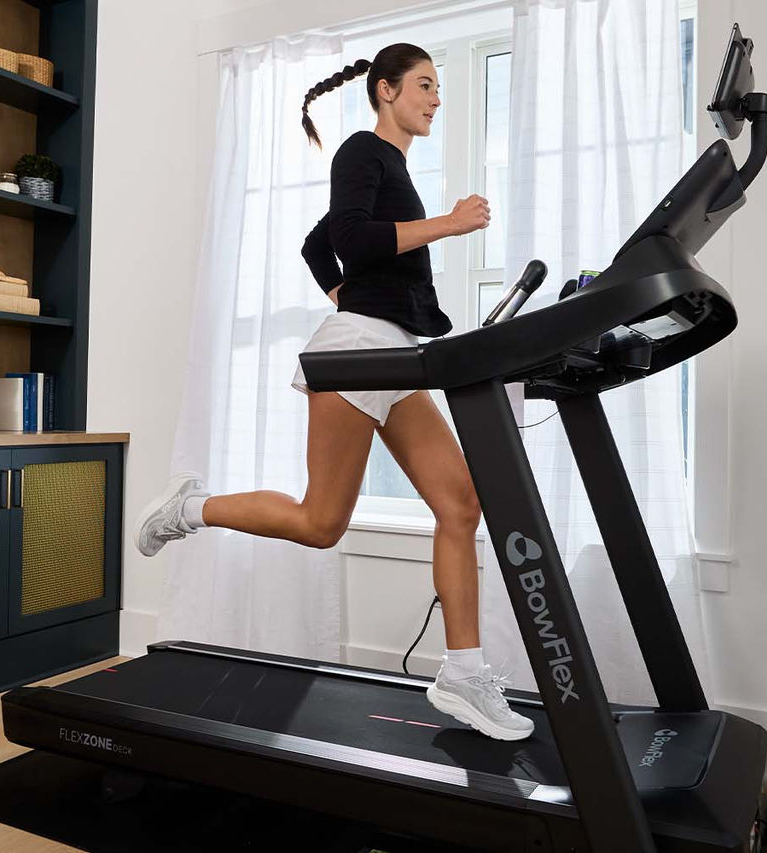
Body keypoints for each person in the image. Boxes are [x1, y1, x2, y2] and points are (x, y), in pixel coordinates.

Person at [136, 43, 533, 741]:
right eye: (424, 84)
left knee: (460, 502)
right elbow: (351, 237)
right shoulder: (362, 151)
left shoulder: (392, 169)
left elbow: (319, 245)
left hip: (395, 352)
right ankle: (188, 508)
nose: (436, 98)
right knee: (321, 524)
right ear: (386, 91)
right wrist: (446, 225)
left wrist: (356, 294)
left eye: (437, 87)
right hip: (356, 353)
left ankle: (463, 673)